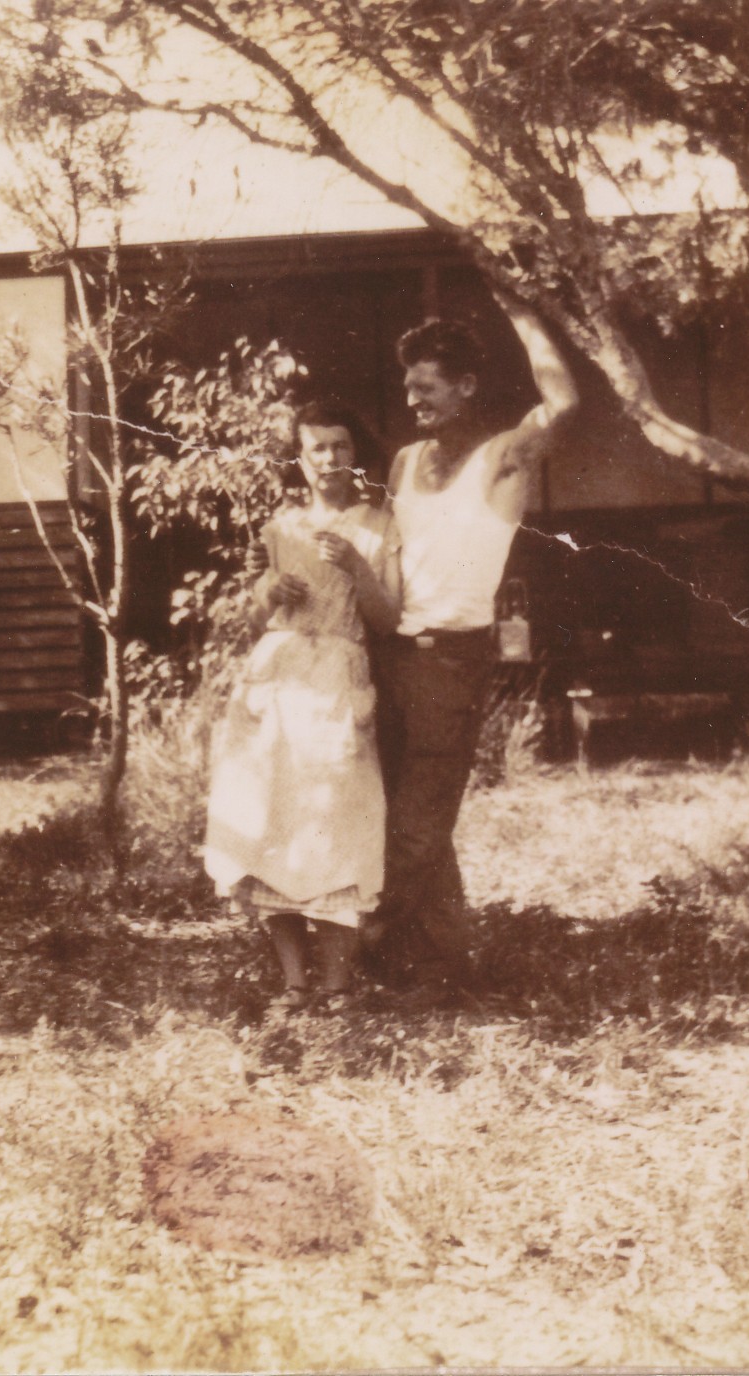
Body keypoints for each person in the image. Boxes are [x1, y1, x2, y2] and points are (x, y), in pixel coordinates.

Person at [327, 300, 579, 1004]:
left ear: (466, 385)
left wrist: (523, 306)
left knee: (414, 827)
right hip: (393, 655)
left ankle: (355, 946)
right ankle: (439, 970)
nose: (413, 400)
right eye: (407, 388)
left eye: (427, 387)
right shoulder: (406, 463)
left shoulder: (504, 459)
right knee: (412, 824)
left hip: (452, 664)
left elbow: (562, 402)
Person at [203, 401, 403, 1012]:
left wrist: (359, 568)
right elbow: (254, 616)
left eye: (340, 446)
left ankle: (338, 983)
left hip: (339, 679)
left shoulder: (378, 522)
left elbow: (389, 620)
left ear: (354, 454)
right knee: (271, 821)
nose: (329, 459)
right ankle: (293, 981)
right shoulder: (280, 527)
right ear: (301, 455)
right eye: (316, 447)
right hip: (277, 681)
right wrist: (267, 591)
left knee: (340, 821)